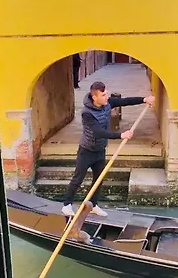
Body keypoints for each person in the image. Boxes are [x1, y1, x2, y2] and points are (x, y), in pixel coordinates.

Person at [62, 81, 155, 217]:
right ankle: (66, 205)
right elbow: (98, 132)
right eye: (103, 95)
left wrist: (144, 99)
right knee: (78, 179)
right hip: (86, 151)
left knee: (99, 179)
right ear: (95, 97)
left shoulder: (108, 103)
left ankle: (93, 205)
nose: (107, 97)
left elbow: (125, 101)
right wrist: (120, 135)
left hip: (100, 150)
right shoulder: (87, 113)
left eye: (106, 94)